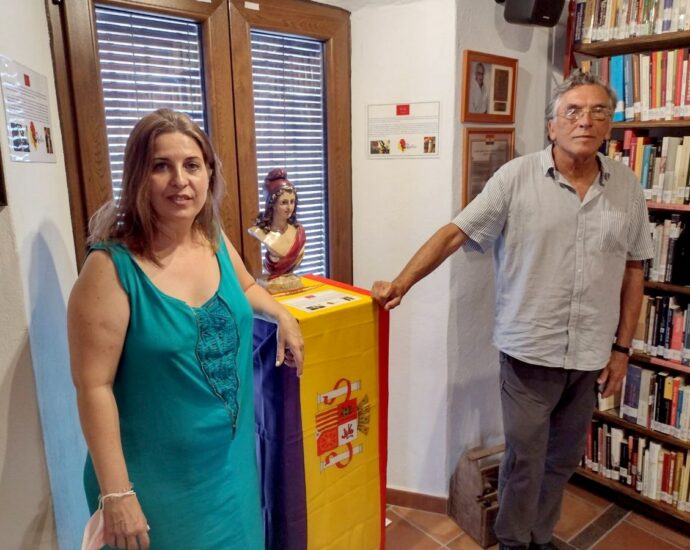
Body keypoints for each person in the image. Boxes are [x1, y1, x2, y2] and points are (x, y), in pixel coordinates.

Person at [371, 71, 653, 550]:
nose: (585, 121)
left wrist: (623, 348)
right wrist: (402, 282)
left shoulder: (626, 187)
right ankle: (511, 542)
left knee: (562, 460)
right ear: (552, 126)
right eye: (572, 112)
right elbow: (455, 232)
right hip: (529, 353)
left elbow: (633, 269)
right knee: (525, 459)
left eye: (598, 112)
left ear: (610, 126)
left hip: (589, 356)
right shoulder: (515, 178)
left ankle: (539, 537)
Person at [68, 108, 304, 550]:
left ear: (208, 175)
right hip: (154, 487)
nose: (180, 180)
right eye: (162, 166)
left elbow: (247, 284)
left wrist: (282, 314)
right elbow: (92, 387)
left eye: (192, 165)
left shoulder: (210, 236)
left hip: (229, 468)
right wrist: (117, 494)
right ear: (139, 176)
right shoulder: (109, 270)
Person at [248, 168, 306, 291]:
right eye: (284, 202)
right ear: (272, 204)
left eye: (292, 202)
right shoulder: (260, 232)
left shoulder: (299, 231)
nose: (289, 207)